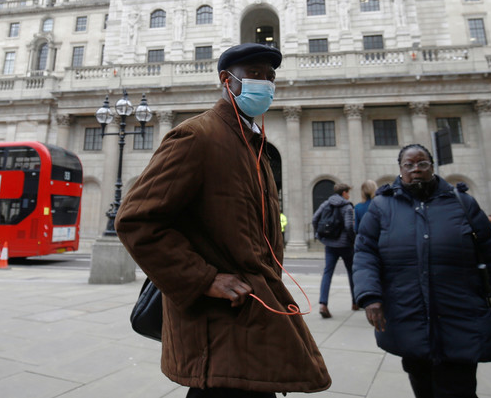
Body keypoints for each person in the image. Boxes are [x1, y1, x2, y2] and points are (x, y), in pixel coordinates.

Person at [116, 43, 331, 397]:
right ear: (227, 81)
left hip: (252, 311)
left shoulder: (252, 145)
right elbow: (137, 219)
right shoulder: (196, 136)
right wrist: (203, 279)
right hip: (219, 323)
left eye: (271, 77)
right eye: (256, 75)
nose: (266, 83)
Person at [353, 144, 491, 398]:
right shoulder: (382, 207)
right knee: (423, 387)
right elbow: (365, 253)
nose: (416, 170)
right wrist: (370, 296)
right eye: (408, 165)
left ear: (432, 167)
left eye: (422, 164)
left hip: (460, 317)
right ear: (400, 170)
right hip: (410, 317)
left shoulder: (463, 204)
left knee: (459, 389)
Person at [312, 183, 356, 318]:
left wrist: (320, 236)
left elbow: (315, 219)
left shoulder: (326, 204)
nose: (349, 195)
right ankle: (356, 302)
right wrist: (352, 240)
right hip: (345, 245)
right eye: (348, 192)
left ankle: (323, 304)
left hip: (330, 245)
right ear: (344, 193)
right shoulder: (347, 207)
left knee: (327, 273)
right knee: (352, 272)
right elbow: (349, 226)